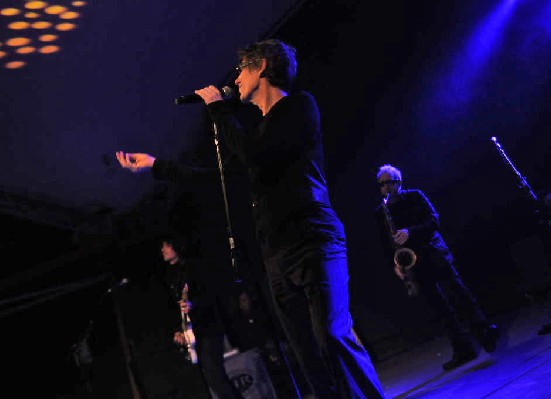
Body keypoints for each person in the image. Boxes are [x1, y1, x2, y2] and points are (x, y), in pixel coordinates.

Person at [116, 38, 385, 398]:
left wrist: (218, 110)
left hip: (314, 239)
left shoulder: (299, 108)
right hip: (276, 251)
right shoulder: (256, 132)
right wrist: (157, 166)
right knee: (307, 352)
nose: (237, 78)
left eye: (242, 69)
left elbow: (256, 155)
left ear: (261, 68)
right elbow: (220, 176)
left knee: (333, 335)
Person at [374, 164, 499, 371]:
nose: (386, 187)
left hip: (434, 252)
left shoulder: (415, 196)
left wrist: (410, 232)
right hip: (414, 263)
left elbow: (434, 220)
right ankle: (462, 348)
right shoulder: (381, 211)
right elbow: (385, 242)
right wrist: (395, 264)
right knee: (439, 308)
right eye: (382, 184)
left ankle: (484, 332)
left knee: (459, 295)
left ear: (399, 182)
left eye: (389, 182)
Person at [159, 234, 243, 399]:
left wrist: (194, 304)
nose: (162, 250)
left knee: (216, 377)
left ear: (176, 246)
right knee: (212, 380)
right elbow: (179, 309)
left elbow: (212, 294)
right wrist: (179, 330)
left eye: (166, 245)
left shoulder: (193, 268)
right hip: (195, 332)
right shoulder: (173, 276)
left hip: (209, 327)